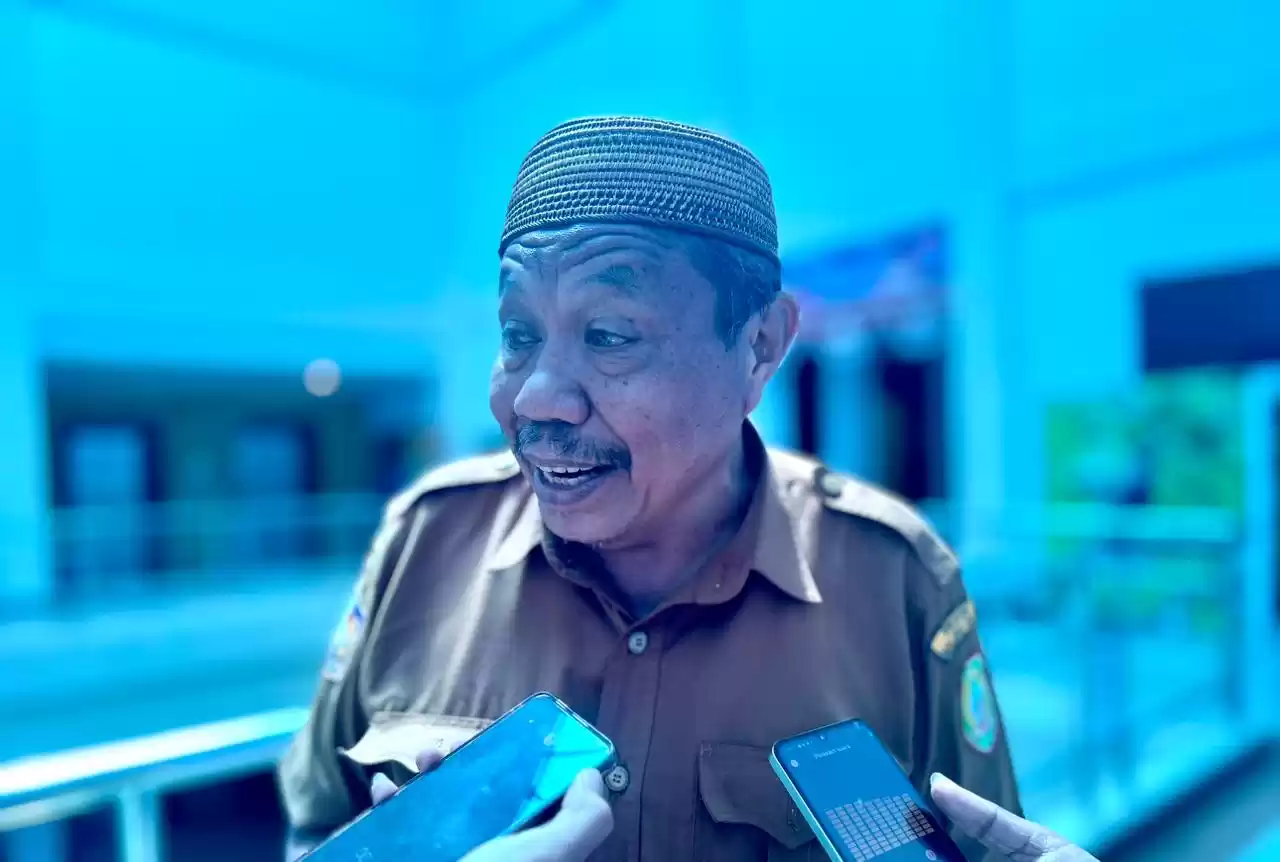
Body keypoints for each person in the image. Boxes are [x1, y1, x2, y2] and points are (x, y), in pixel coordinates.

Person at [277, 116, 1021, 862]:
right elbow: (314, 827)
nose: (534, 399)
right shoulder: (426, 542)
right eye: (518, 335)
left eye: (609, 336)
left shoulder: (894, 576)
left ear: (759, 346)